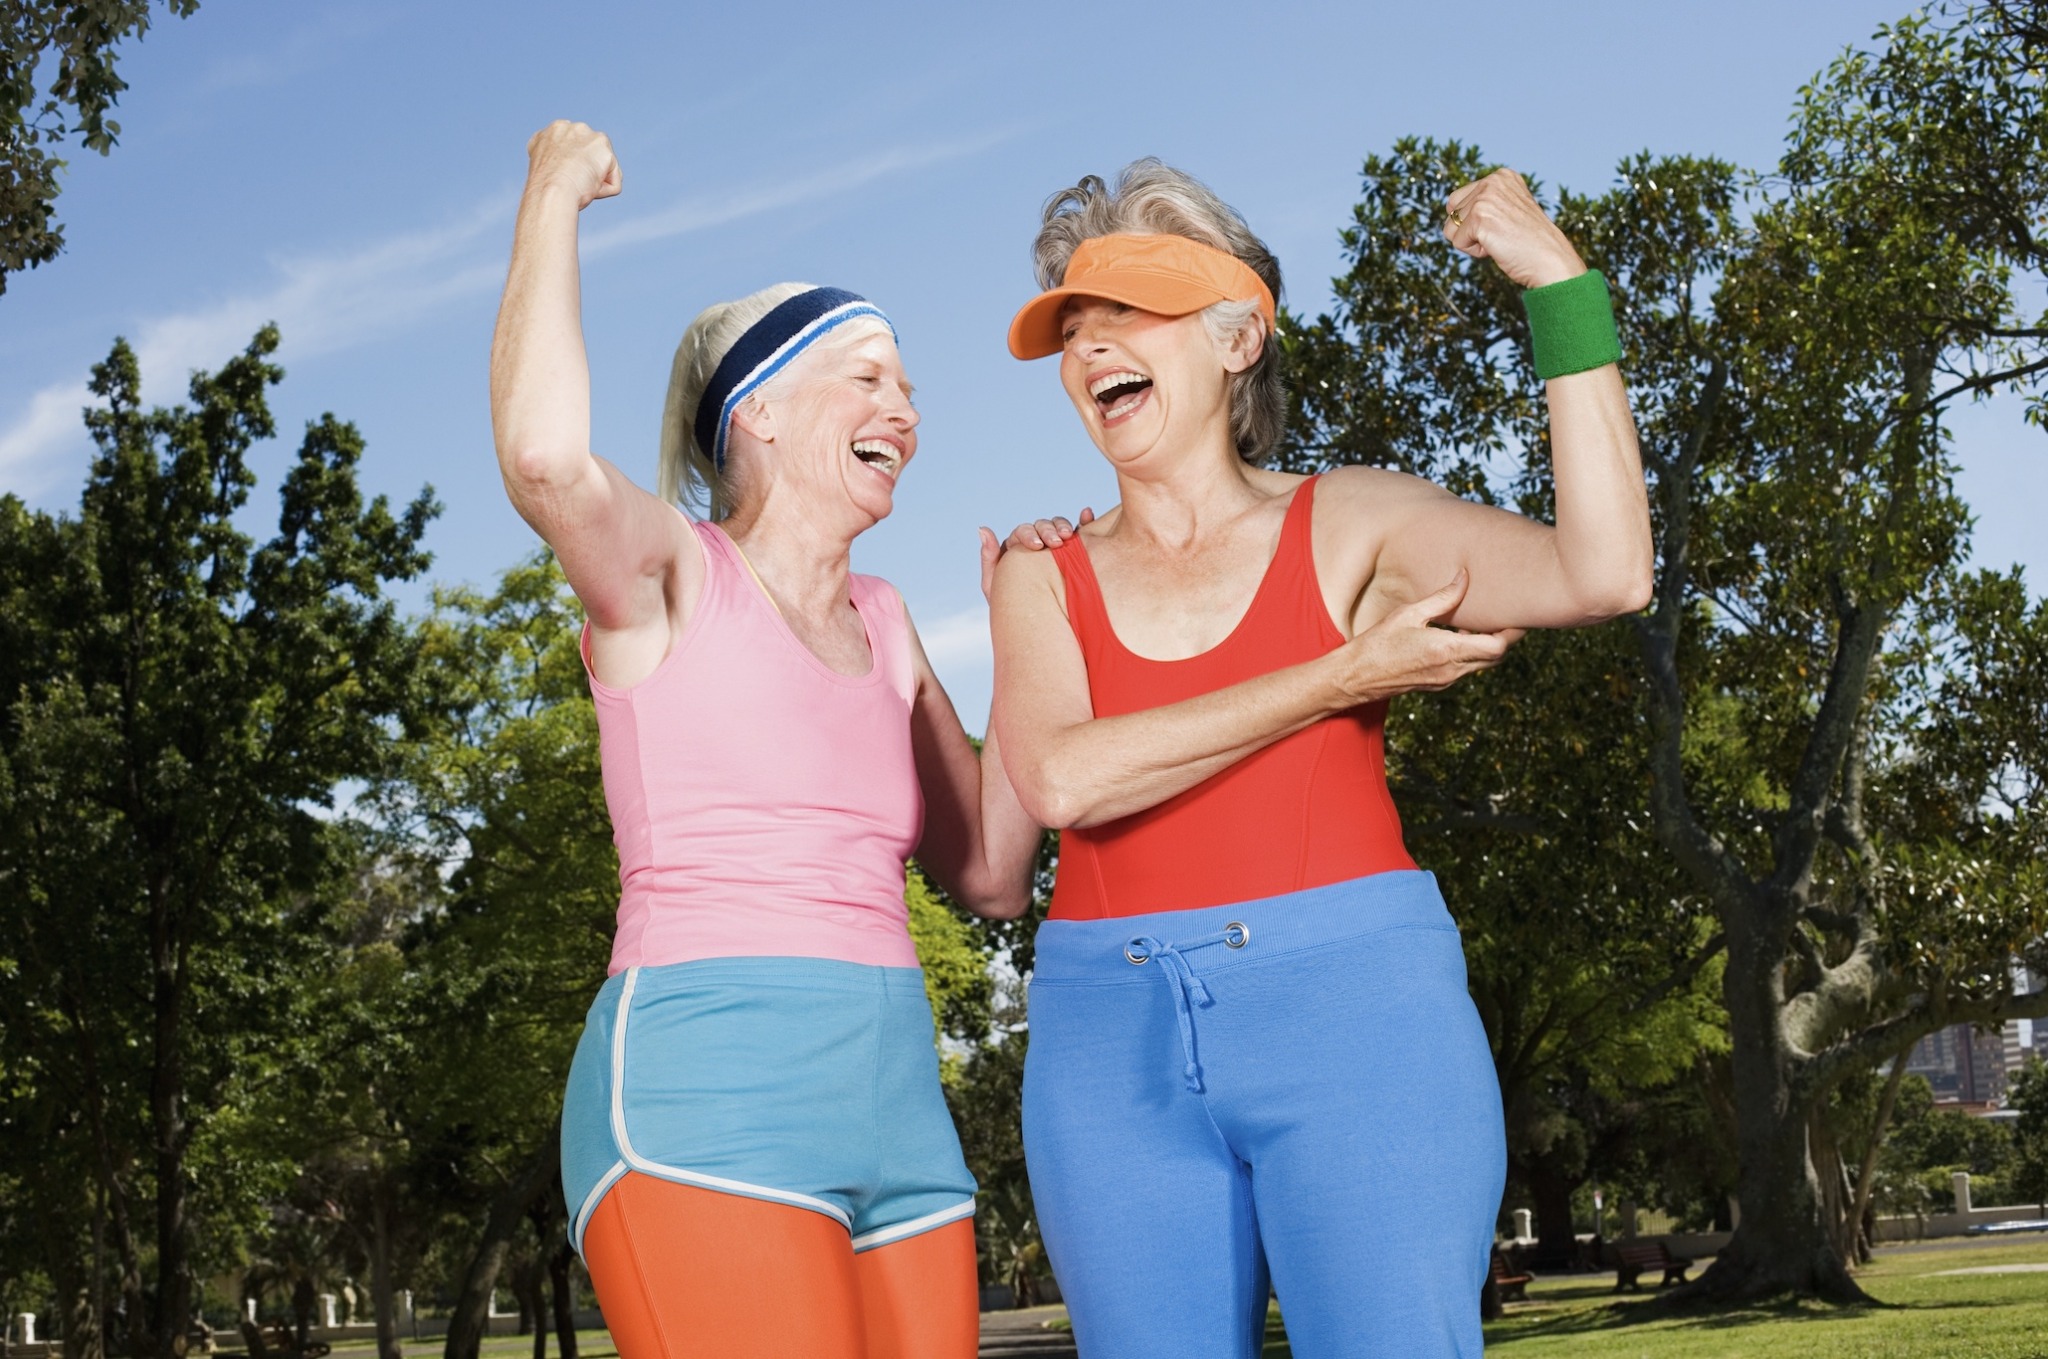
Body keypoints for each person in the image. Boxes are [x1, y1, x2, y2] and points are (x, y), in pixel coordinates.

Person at [988, 159, 1652, 1359]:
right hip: (1104, 1046)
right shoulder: (1040, 571)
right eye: (1073, 332)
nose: (1091, 354)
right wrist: (1341, 676)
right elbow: (1062, 781)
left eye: (1127, 318)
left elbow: (1600, 574)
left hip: (1355, 1015)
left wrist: (1560, 288)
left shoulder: (1348, 521)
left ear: (1236, 336)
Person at [490, 120, 1043, 1359]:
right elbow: (539, 459)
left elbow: (993, 875)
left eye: (907, 388)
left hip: (900, 1118)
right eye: (868, 376)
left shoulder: (888, 619)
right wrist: (554, 190)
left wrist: (1031, 644)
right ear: (762, 414)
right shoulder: (671, 577)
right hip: (705, 1104)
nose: (904, 408)